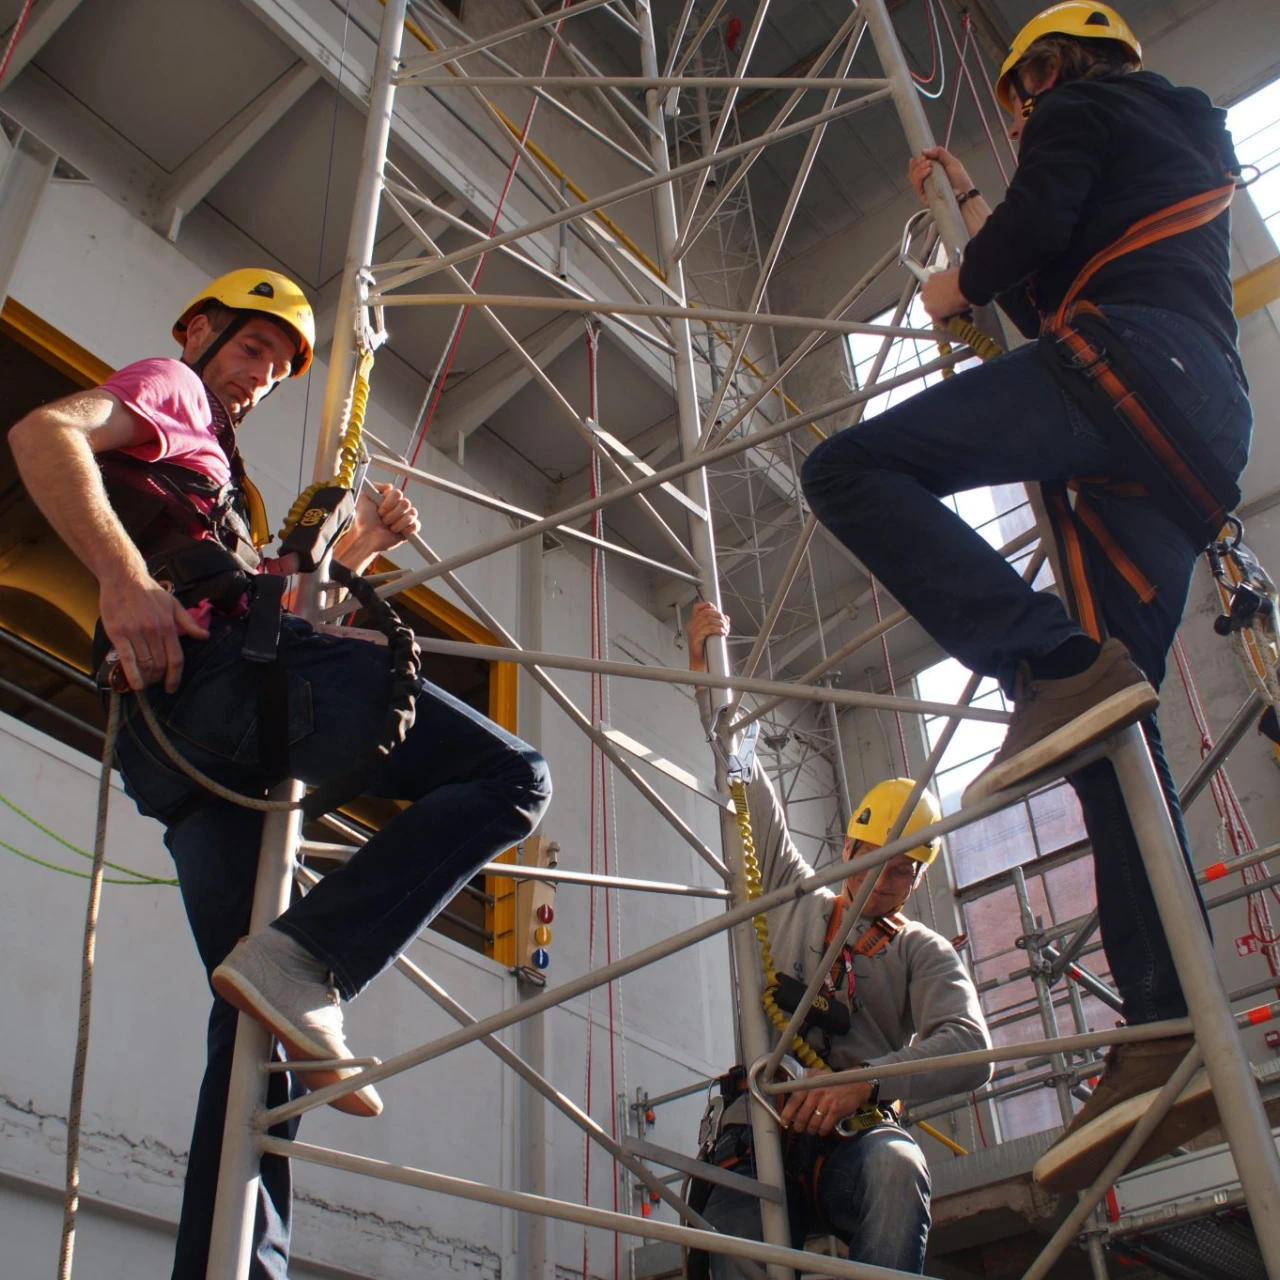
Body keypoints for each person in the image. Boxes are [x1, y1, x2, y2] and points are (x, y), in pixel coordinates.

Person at [8, 269, 552, 1278]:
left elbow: (284, 619)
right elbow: (44, 433)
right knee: (513, 774)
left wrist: (360, 547)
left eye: (277, 366)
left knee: (256, 1035)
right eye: (253, 350)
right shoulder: (171, 389)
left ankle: (229, 1263)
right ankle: (311, 958)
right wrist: (124, 579)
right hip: (215, 699)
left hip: (184, 749)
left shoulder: (223, 491)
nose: (260, 378)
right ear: (202, 332)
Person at [800, 2, 1251, 1193]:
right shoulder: (1165, 140)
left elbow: (1033, 245)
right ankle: (1164, 1032)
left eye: (1021, 93)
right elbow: (1061, 251)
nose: (1019, 112)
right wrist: (982, 215)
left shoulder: (1089, 105)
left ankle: (1045, 662)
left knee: (847, 468)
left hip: (1126, 368)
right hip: (1190, 433)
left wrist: (958, 278)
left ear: (1051, 68)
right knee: (1118, 733)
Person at [684, 602, 991, 1276]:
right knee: (733, 1252)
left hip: (851, 1143)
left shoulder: (921, 951)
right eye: (880, 857)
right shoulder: (793, 896)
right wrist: (714, 678)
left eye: (909, 869)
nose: (891, 878)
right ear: (850, 846)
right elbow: (746, 776)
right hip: (755, 1128)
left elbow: (972, 1051)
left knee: (897, 1167)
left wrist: (866, 1085)